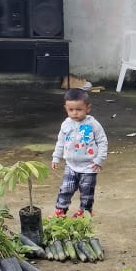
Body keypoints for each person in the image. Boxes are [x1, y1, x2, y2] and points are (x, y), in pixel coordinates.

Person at [51, 88, 108, 218]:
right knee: (66, 188)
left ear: (88, 108)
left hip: (89, 166)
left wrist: (99, 159)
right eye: (71, 110)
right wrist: (56, 157)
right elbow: (60, 142)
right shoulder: (66, 124)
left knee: (86, 191)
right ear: (66, 108)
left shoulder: (93, 124)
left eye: (79, 109)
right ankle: (60, 210)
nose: (75, 113)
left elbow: (102, 142)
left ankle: (85, 212)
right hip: (70, 165)